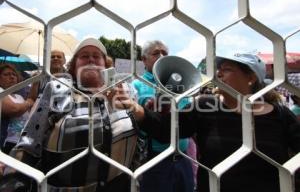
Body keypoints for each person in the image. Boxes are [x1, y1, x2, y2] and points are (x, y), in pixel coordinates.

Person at [114, 53, 300, 192]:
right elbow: (165, 129)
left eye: (226, 69)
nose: (218, 73)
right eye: (218, 69)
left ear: (250, 78)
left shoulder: (281, 115)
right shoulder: (205, 106)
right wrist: (135, 107)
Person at [0, 38, 137, 192]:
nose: (91, 59)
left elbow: (141, 134)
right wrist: (14, 180)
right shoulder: (57, 89)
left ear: (105, 64)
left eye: (96, 56)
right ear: (74, 65)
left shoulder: (123, 90)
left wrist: (132, 107)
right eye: (84, 56)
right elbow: (30, 141)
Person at [131, 40, 194, 192]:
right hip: (155, 161)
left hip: (183, 158)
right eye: (155, 53)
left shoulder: (180, 82)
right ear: (144, 60)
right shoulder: (136, 85)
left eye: (165, 53)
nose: (161, 56)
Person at [0, 64, 38, 153]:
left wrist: (35, 83)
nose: (12, 77)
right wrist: (28, 102)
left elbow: (31, 100)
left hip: (22, 142)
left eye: (14, 75)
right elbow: (14, 109)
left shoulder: (19, 97)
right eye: (6, 74)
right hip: (7, 142)